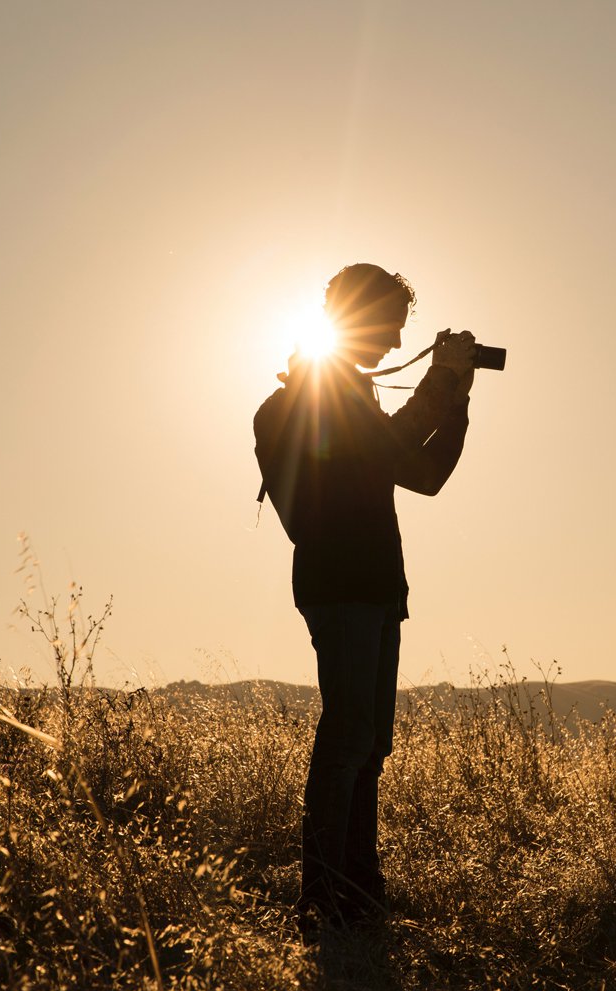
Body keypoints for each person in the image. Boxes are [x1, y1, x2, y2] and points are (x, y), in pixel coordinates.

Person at [253, 263, 476, 933]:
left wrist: (455, 395)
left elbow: (424, 474)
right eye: (388, 328)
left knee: (370, 745)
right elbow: (393, 450)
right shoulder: (313, 396)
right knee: (349, 738)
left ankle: (358, 893)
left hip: (375, 586)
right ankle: (322, 897)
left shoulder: (351, 395)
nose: (389, 342)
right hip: (342, 585)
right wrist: (442, 380)